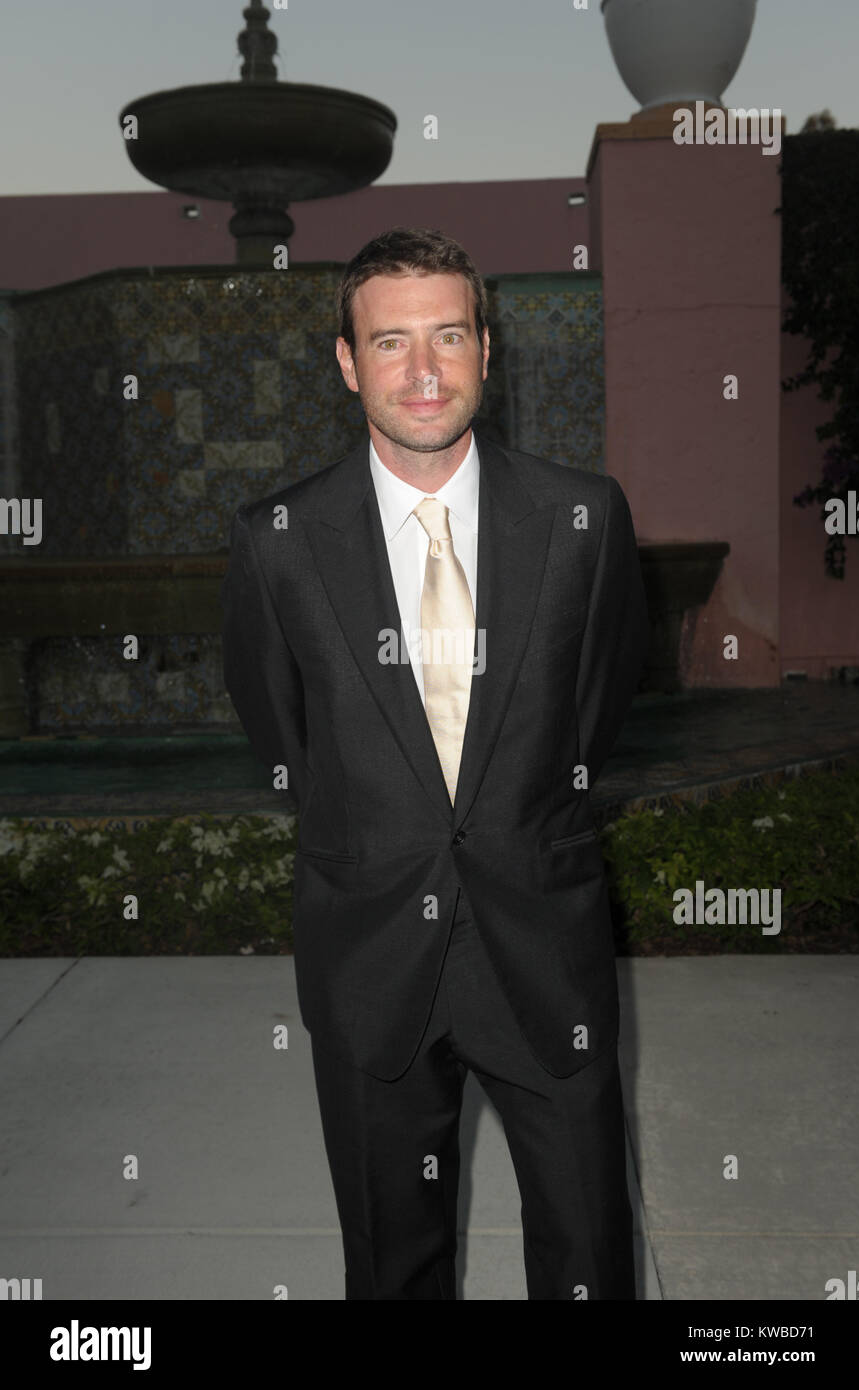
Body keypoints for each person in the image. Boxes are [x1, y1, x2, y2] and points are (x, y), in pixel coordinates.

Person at [221, 226, 649, 1300]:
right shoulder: (276, 537)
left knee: (591, 1251)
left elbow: (591, 723)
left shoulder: (583, 518)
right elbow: (282, 738)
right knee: (390, 1263)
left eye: (449, 336)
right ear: (347, 362)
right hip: (369, 957)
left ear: (487, 350)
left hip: (544, 951)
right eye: (392, 342)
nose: (423, 372)